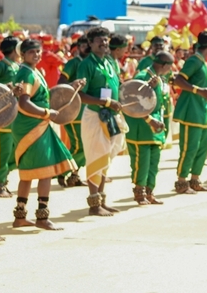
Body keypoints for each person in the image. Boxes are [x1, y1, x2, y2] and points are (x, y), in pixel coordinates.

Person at [11, 38, 79, 231]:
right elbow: (24, 103)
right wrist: (47, 113)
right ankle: (42, 217)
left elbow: (41, 95)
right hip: (32, 127)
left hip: (36, 125)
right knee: (45, 171)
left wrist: (71, 86)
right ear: (22, 54)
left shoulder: (32, 71)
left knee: (28, 173)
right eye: (31, 52)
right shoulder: (26, 73)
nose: (36, 54)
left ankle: (20, 216)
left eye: (38, 51)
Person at [76, 26, 127, 216]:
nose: (104, 43)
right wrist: (105, 102)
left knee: (106, 157)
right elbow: (80, 94)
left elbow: (117, 85)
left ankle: (102, 201)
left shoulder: (109, 62)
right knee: (96, 156)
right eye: (99, 40)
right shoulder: (86, 64)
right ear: (90, 43)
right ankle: (94, 204)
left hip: (111, 116)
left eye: (106, 40)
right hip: (94, 116)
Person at [172, 30, 207, 194]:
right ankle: (181, 182)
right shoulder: (194, 60)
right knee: (189, 148)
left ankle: (195, 180)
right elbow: (179, 80)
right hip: (191, 112)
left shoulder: (204, 63)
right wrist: (199, 91)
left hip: (202, 111)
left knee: (202, 148)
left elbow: (203, 87)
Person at [124, 51, 174, 204]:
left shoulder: (159, 78)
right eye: (170, 66)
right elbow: (133, 102)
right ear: (164, 65)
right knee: (142, 161)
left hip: (155, 127)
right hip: (142, 127)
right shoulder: (142, 76)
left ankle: (149, 191)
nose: (171, 70)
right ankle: (139, 192)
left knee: (154, 162)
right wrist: (149, 120)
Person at [57, 35, 89, 188]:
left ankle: (75, 175)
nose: (86, 48)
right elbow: (60, 83)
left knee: (87, 146)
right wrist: (73, 84)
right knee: (78, 145)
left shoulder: (94, 63)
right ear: (78, 47)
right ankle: (63, 171)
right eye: (83, 45)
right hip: (73, 110)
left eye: (89, 44)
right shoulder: (73, 63)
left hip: (90, 110)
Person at [0, 37, 21, 198]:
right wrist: (5, 88)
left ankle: (3, 176)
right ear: (14, 49)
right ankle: (0, 184)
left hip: (15, 113)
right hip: (2, 115)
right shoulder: (1, 66)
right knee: (3, 151)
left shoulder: (17, 66)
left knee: (14, 149)